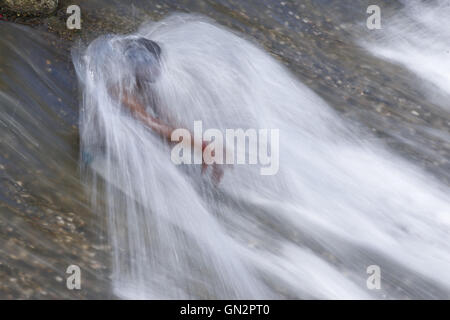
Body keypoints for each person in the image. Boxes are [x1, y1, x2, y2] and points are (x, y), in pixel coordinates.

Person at [112, 37, 224, 183]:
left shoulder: (148, 90)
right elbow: (150, 123)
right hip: (105, 148)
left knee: (169, 140)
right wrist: (200, 145)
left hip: (129, 144)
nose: (159, 68)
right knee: (162, 136)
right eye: (154, 63)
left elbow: (171, 122)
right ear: (139, 64)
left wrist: (204, 144)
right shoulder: (120, 90)